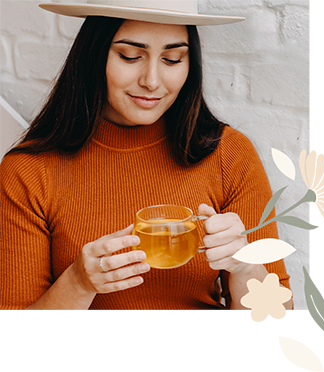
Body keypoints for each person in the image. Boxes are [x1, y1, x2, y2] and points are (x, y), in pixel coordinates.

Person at [0, 1, 291, 371]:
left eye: (172, 60)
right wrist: (78, 283)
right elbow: (16, 352)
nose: (152, 80)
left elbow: (279, 341)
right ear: (93, 55)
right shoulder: (28, 171)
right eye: (130, 56)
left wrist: (246, 269)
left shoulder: (229, 155)